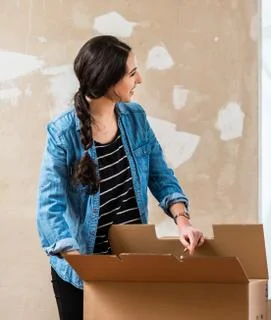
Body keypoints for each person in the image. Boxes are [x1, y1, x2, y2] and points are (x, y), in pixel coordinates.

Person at [36, 35, 205, 320]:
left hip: (130, 265)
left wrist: (182, 220)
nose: (139, 79)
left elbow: (160, 174)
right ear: (108, 80)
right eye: (132, 73)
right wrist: (84, 268)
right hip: (79, 274)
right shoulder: (63, 133)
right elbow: (48, 208)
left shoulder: (135, 117)